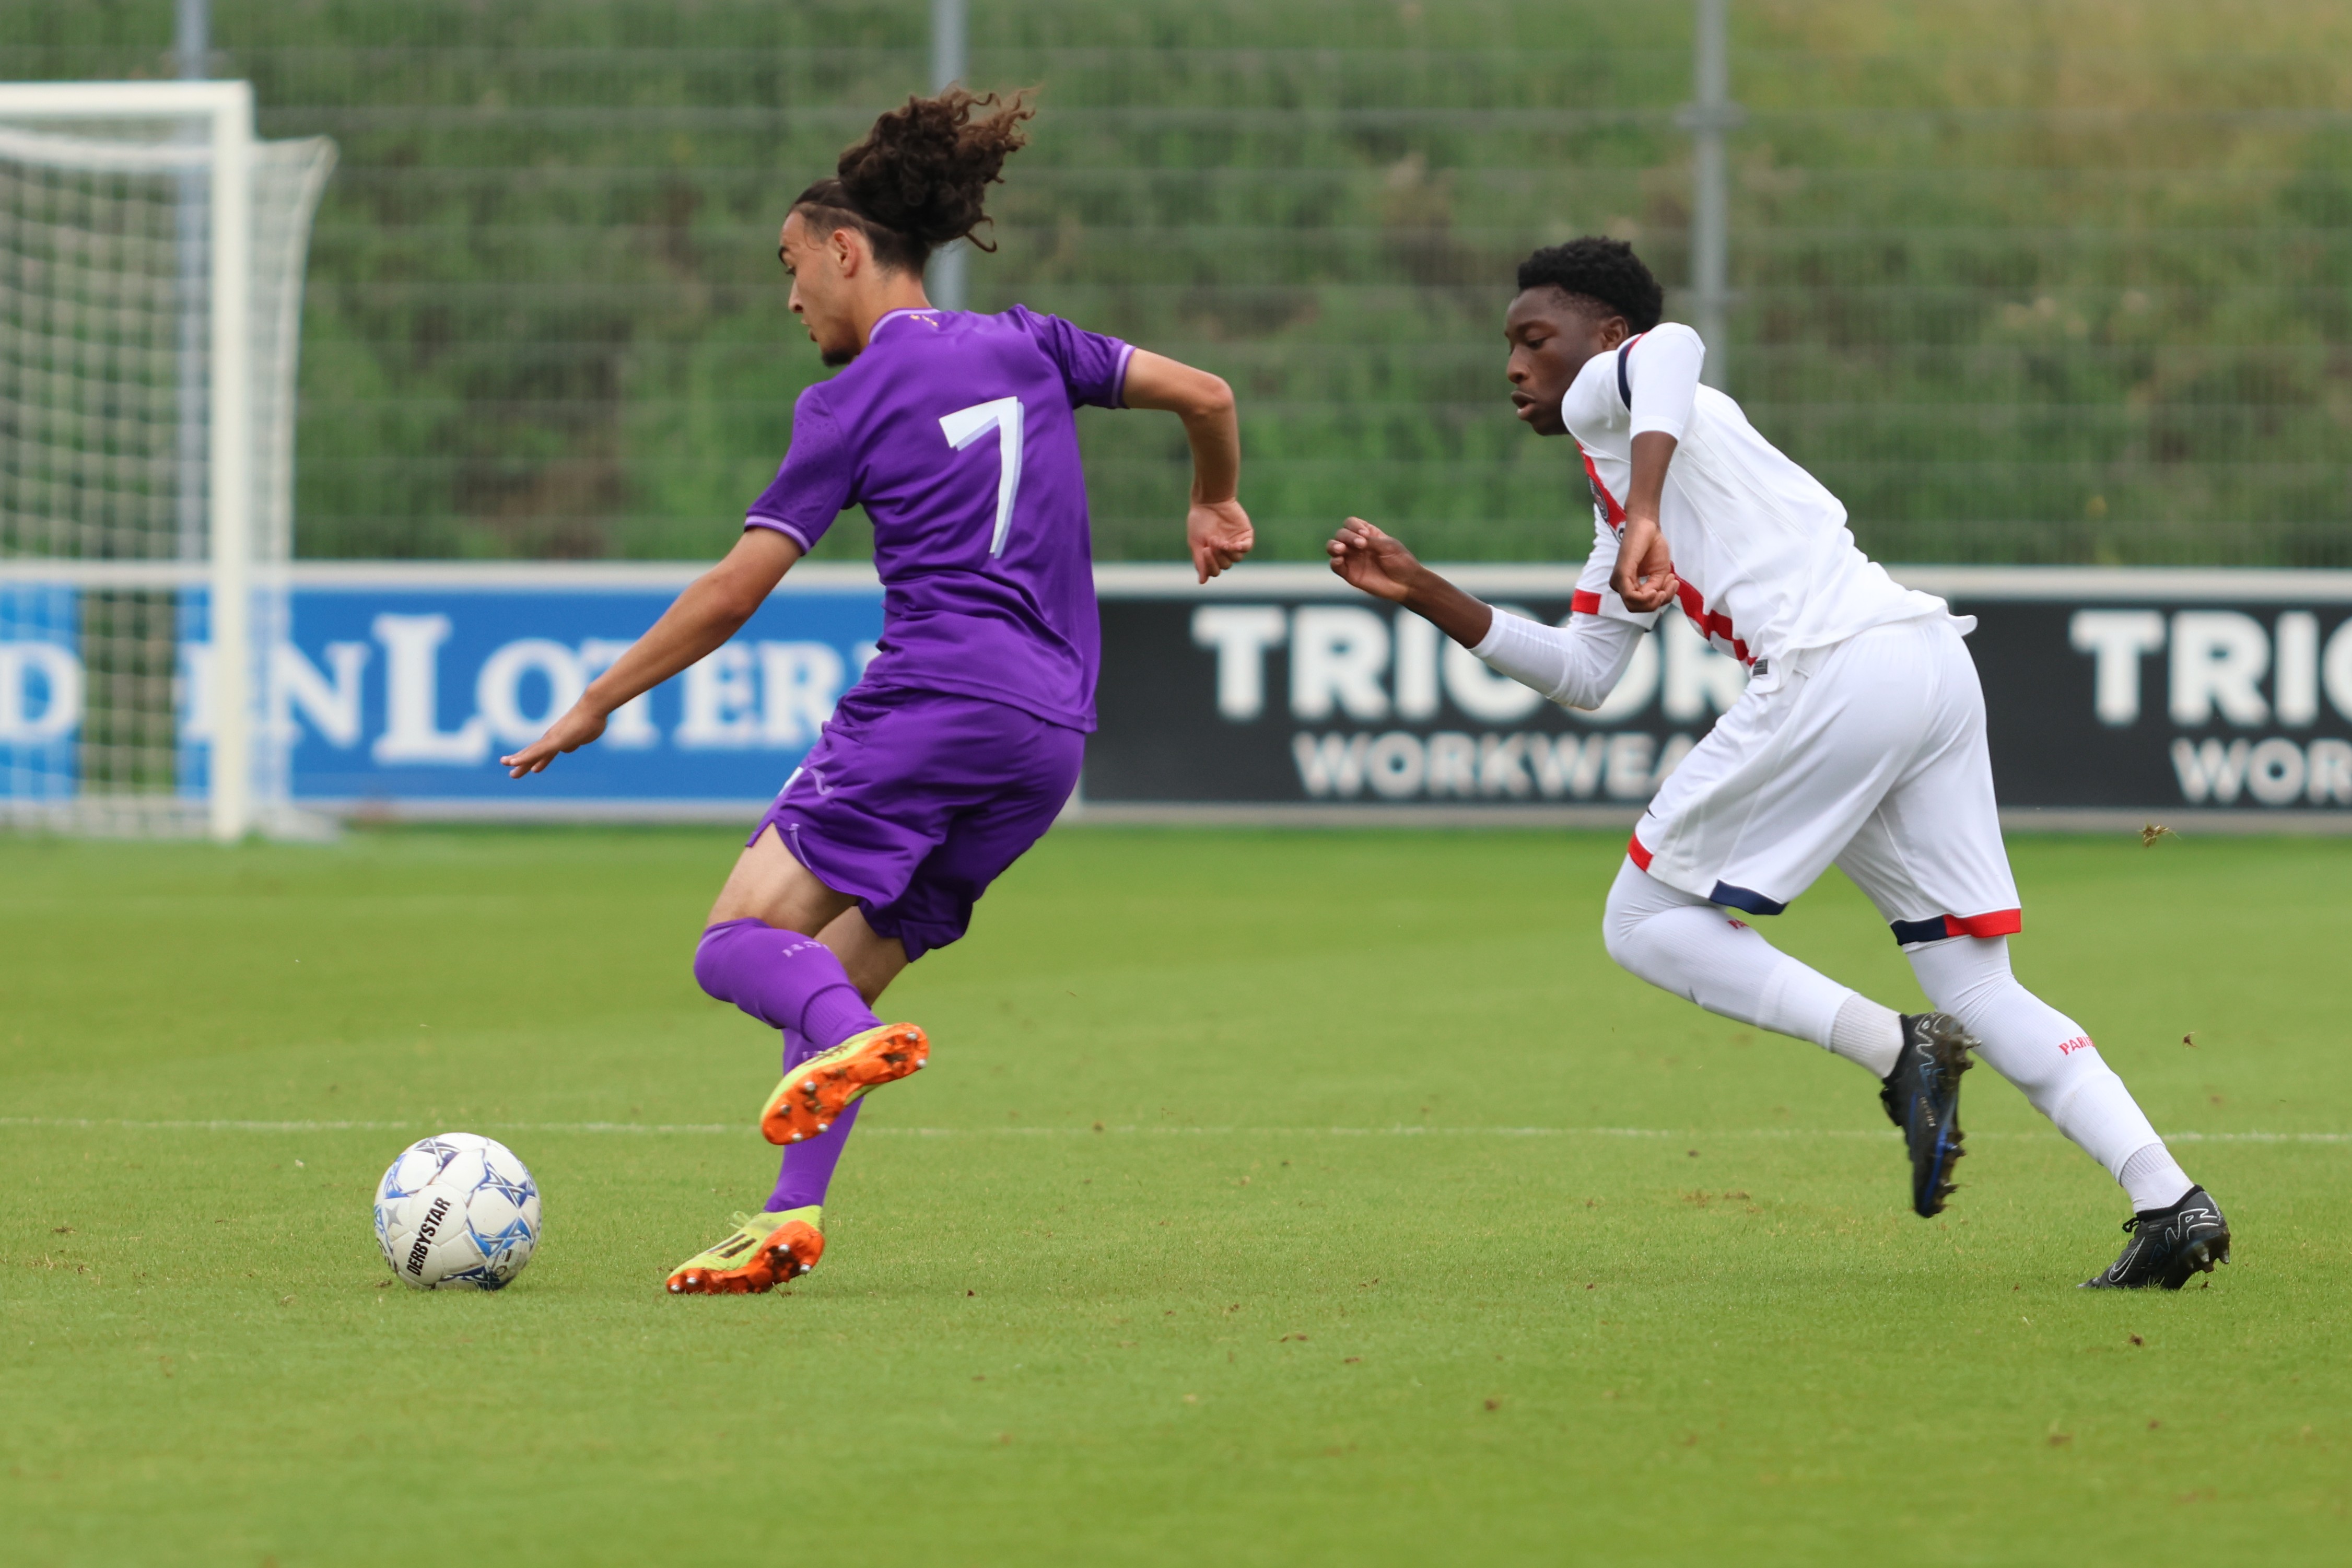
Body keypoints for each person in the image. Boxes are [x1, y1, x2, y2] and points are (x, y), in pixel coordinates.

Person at [1325, 237, 2228, 1290]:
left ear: (1603, 340)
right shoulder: (1620, 487)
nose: (1516, 365)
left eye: (1536, 339)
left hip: (1834, 667)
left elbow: (1674, 347)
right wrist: (1424, 589)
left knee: (1642, 918)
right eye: (1508, 345)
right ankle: (2167, 1199)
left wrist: (1648, 511)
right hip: (1923, 662)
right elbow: (1581, 672)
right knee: (1974, 979)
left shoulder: (1619, 402)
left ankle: (1898, 1051)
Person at [501, 89, 1254, 1294]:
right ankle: (789, 1218)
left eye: (793, 266)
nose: (788, 295)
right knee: (839, 982)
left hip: (935, 702)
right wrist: (1213, 499)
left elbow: (736, 588)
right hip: (1049, 741)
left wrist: (600, 697)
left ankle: (849, 1047)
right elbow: (1209, 396)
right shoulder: (1033, 342)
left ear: (846, 250)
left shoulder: (842, 404)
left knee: (735, 943)